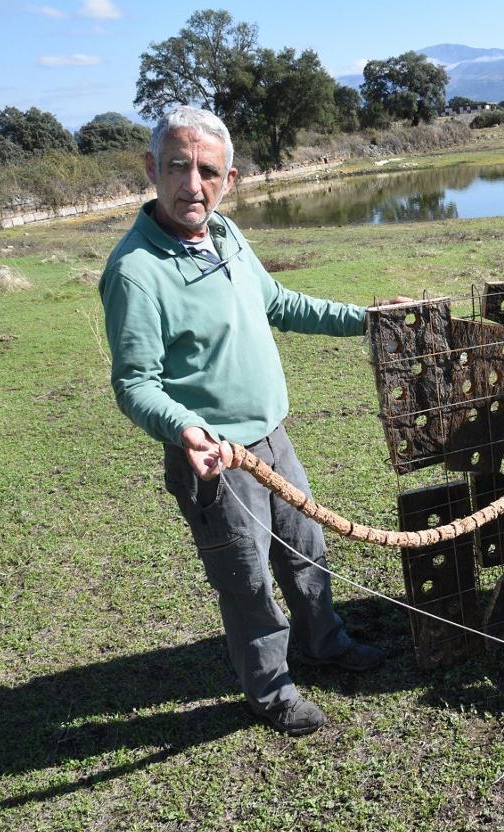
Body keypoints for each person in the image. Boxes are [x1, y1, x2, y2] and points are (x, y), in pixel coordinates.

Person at [100, 106, 408, 736]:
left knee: (308, 552)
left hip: (273, 438)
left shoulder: (229, 234)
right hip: (216, 460)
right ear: (152, 169)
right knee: (246, 581)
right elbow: (134, 384)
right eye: (178, 167)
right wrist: (186, 429)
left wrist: (370, 319)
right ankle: (271, 693)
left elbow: (281, 304)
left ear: (230, 178)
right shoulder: (135, 271)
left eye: (207, 171)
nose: (193, 184)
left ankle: (326, 643)